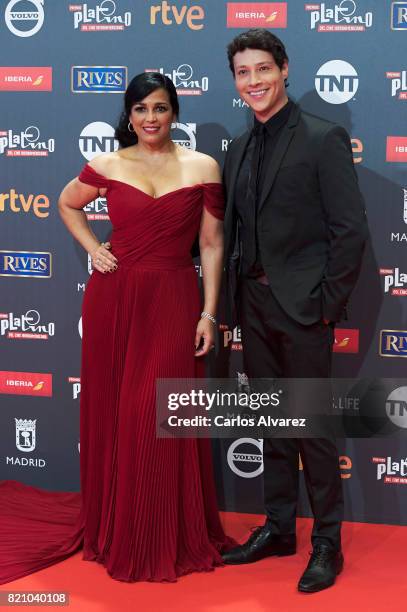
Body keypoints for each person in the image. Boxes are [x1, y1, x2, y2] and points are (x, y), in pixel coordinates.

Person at [0, 72, 233, 584]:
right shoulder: (107, 163)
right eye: (141, 109)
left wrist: (209, 312)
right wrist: (94, 249)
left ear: (175, 113)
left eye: (161, 108)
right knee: (120, 410)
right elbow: (66, 203)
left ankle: (163, 532)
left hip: (173, 297)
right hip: (116, 298)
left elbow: (212, 244)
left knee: (160, 411)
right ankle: (117, 528)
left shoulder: (203, 166)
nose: (151, 118)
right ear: (128, 115)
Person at [221, 29, 368, 593]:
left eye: (262, 69)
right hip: (252, 304)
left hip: (305, 309)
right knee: (270, 422)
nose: (253, 81)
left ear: (284, 69)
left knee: (311, 427)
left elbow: (349, 230)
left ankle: (325, 539)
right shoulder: (236, 148)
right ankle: (279, 528)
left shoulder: (321, 138)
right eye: (243, 73)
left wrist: (326, 306)